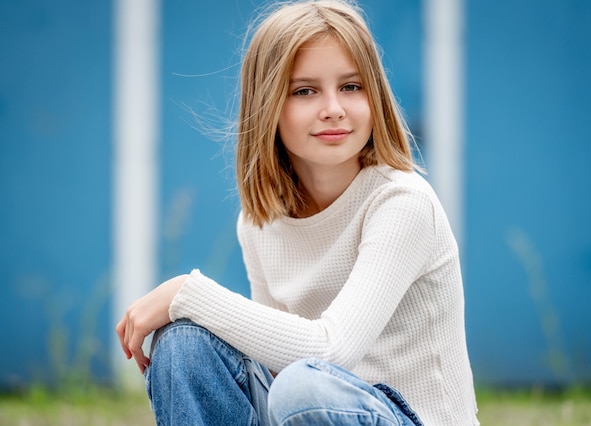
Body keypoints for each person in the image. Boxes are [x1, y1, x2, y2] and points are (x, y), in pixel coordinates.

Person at [116, 1, 479, 425]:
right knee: (183, 345)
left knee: (302, 388)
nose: (333, 108)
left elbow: (332, 353)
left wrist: (188, 294)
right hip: (303, 401)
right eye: (305, 91)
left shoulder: (402, 204)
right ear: (268, 104)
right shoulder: (260, 222)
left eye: (351, 86)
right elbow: (274, 363)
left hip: (406, 416)